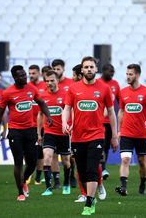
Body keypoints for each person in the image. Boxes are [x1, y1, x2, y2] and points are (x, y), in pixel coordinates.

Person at [62, 56, 118, 215]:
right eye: (85, 67)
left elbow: (112, 113)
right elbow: (66, 108)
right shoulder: (73, 89)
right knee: (82, 170)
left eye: (91, 67)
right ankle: (90, 196)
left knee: (93, 168)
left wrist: (114, 135)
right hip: (77, 136)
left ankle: (89, 202)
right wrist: (64, 123)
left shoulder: (104, 88)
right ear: (82, 70)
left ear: (96, 69)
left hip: (97, 135)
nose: (88, 69)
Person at [0, 65, 52, 201]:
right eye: (21, 75)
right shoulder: (7, 93)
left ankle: (23, 180)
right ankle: (20, 192)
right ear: (14, 78)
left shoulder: (32, 89)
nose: (25, 77)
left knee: (32, 163)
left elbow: (42, 103)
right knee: (18, 162)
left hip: (30, 130)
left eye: (25, 74)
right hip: (15, 131)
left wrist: (48, 116)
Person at [115, 64, 146, 196]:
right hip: (126, 133)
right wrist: (119, 130)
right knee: (125, 159)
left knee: (142, 162)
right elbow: (120, 112)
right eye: (127, 74)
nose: (128, 76)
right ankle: (123, 187)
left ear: (137, 75)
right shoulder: (123, 92)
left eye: (130, 74)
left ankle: (143, 183)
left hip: (141, 133)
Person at [38, 70, 72, 196]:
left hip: (63, 133)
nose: (49, 83)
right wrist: (39, 133)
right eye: (47, 81)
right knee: (47, 156)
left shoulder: (66, 94)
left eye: (52, 80)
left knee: (65, 161)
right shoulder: (43, 96)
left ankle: (67, 183)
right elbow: (40, 114)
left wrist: (70, 126)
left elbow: (70, 110)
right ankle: (48, 187)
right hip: (49, 132)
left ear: (57, 81)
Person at [51, 59, 74, 189]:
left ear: (63, 69)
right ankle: (57, 182)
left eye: (58, 68)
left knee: (68, 158)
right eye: (54, 68)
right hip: (51, 127)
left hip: (67, 127)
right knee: (52, 155)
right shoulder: (48, 84)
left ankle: (71, 176)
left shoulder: (70, 84)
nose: (56, 71)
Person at [97, 63, 120, 179]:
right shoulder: (97, 83)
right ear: (104, 71)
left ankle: (103, 167)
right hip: (98, 121)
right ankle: (102, 168)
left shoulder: (115, 84)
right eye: (109, 72)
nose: (111, 74)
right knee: (100, 145)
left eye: (113, 72)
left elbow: (120, 101)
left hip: (109, 121)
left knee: (106, 146)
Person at [26, 65, 47, 185]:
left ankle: (38, 176)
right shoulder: (26, 87)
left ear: (39, 74)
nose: (31, 75)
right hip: (27, 125)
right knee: (27, 151)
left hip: (41, 124)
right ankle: (29, 173)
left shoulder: (44, 86)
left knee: (40, 152)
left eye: (33, 73)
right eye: (30, 73)